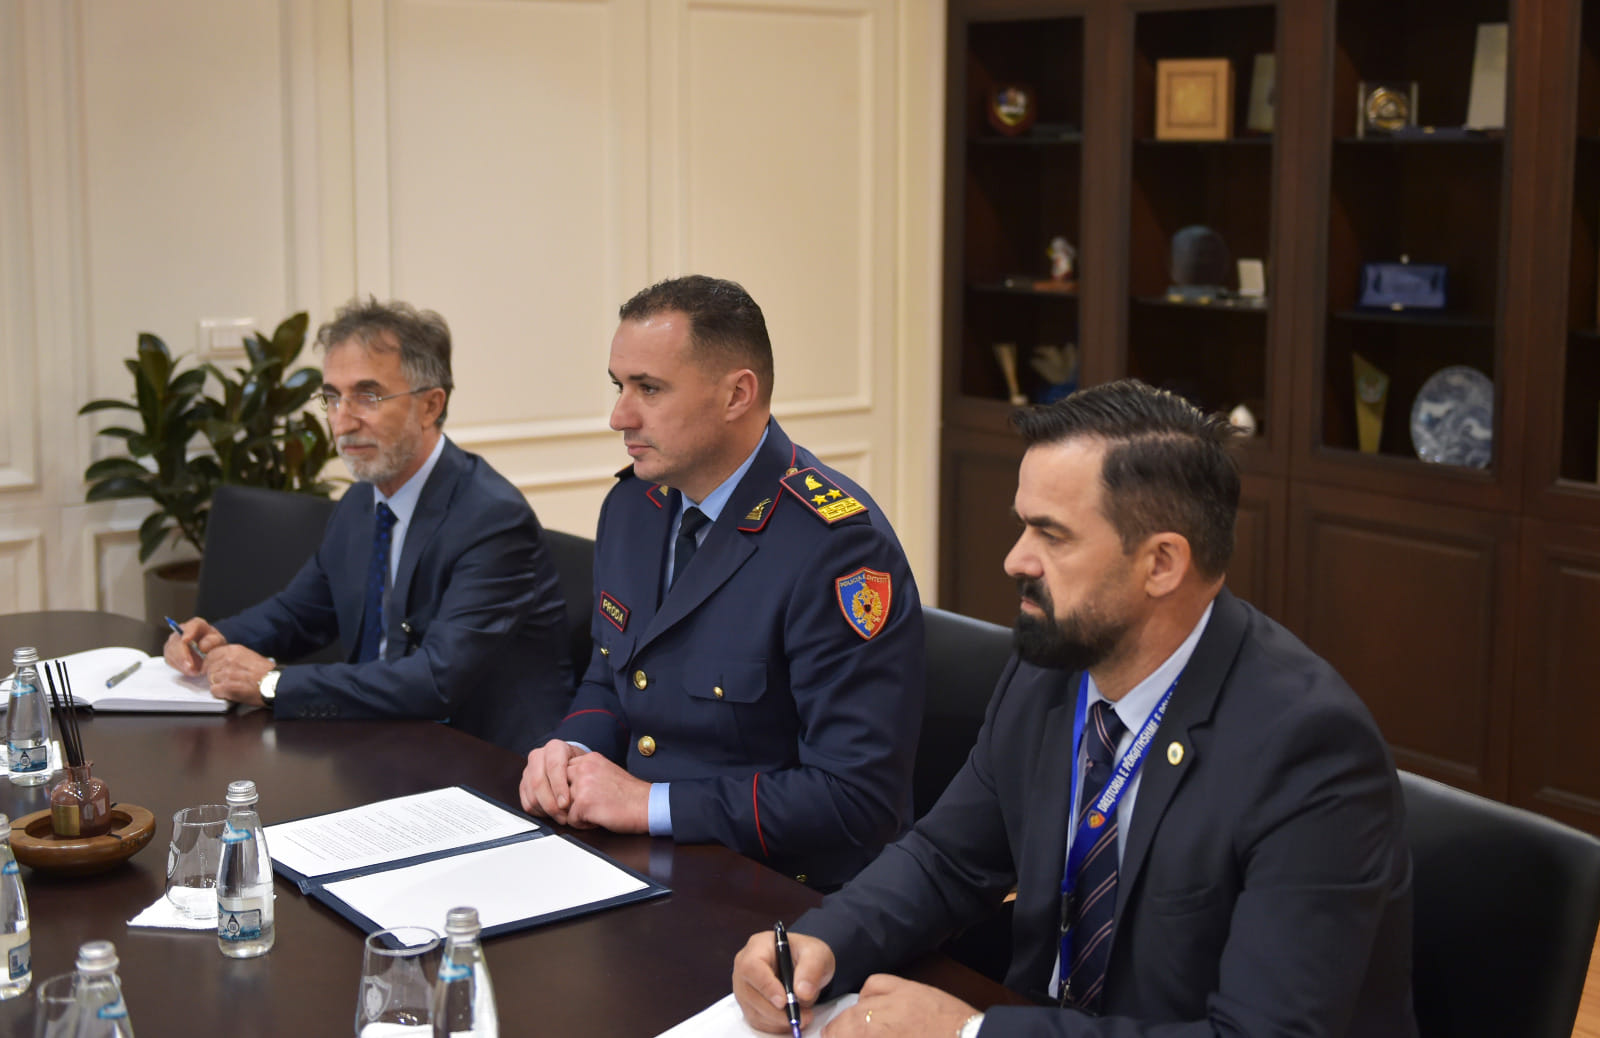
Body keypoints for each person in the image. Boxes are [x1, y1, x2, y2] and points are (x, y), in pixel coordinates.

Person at [731, 380, 1418, 1036]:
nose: (1015, 560)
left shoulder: (1309, 749)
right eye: (1022, 527)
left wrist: (970, 1032)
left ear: (1162, 564)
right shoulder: (1049, 670)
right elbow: (947, 860)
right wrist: (823, 941)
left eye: (1051, 535)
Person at [517, 275, 924, 890]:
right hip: (642, 860)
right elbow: (611, 675)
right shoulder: (633, 507)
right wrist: (572, 751)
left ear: (737, 394)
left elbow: (855, 799)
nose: (619, 416)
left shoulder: (837, 547)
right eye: (619, 386)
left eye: (649, 389)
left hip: (776, 887)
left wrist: (650, 804)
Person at [165, 298, 573, 754]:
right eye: (332, 397)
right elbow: (301, 613)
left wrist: (273, 684)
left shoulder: (491, 518)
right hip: (380, 740)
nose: (342, 421)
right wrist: (216, 636)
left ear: (430, 405)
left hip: (485, 757)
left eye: (367, 396)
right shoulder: (361, 501)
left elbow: (436, 680)